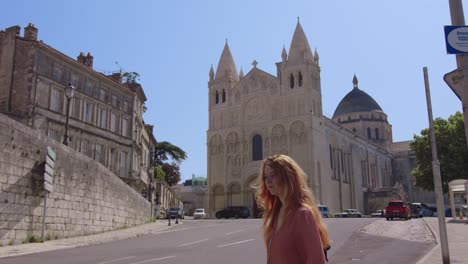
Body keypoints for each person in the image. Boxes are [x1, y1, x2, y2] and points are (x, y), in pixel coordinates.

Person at [256, 154, 330, 264]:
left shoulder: (302, 215)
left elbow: (316, 260)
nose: (268, 181)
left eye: (273, 175)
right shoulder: (277, 213)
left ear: (287, 177)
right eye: (266, 177)